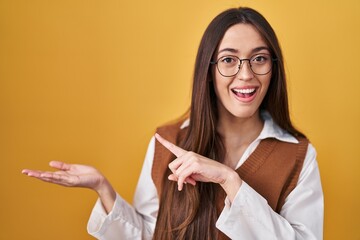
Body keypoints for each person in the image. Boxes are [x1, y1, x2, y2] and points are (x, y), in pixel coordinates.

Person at [22, 7, 324, 240]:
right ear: (209, 71)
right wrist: (104, 190)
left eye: (259, 58)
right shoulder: (167, 142)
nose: (246, 74)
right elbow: (148, 234)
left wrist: (230, 181)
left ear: (274, 69)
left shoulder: (298, 155)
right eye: (229, 60)